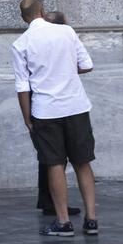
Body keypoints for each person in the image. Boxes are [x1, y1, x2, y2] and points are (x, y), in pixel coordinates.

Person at [11, 0, 97, 237]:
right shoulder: (66, 32)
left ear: (23, 17)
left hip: (45, 110)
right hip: (76, 105)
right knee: (83, 162)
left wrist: (27, 118)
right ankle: (91, 219)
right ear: (43, 10)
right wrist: (67, 71)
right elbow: (87, 64)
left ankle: (63, 222)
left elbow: (22, 86)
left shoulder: (21, 43)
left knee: (54, 164)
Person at [34, 12, 78, 218]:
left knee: (50, 158)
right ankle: (54, 204)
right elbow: (84, 65)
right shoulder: (63, 39)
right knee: (56, 159)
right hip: (59, 105)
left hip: (43, 105)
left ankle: (50, 200)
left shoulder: (37, 41)